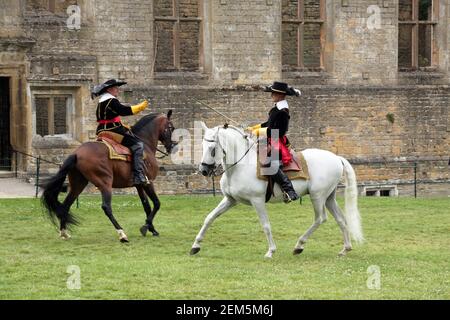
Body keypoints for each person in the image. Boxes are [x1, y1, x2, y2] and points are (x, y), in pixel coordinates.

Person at [247, 81, 301, 203]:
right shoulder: (276, 108)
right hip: (269, 139)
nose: (271, 95)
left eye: (273, 93)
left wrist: (259, 132)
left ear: (280, 95)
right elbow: (269, 124)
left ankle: (289, 190)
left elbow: (280, 131)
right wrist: (254, 128)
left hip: (277, 141)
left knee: (270, 164)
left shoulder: (283, 111)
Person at [92, 79, 149, 186]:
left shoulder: (102, 101)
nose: (118, 90)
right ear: (109, 89)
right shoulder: (111, 101)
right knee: (138, 145)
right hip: (113, 130)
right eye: (116, 88)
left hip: (101, 130)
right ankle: (138, 176)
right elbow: (123, 111)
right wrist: (139, 107)